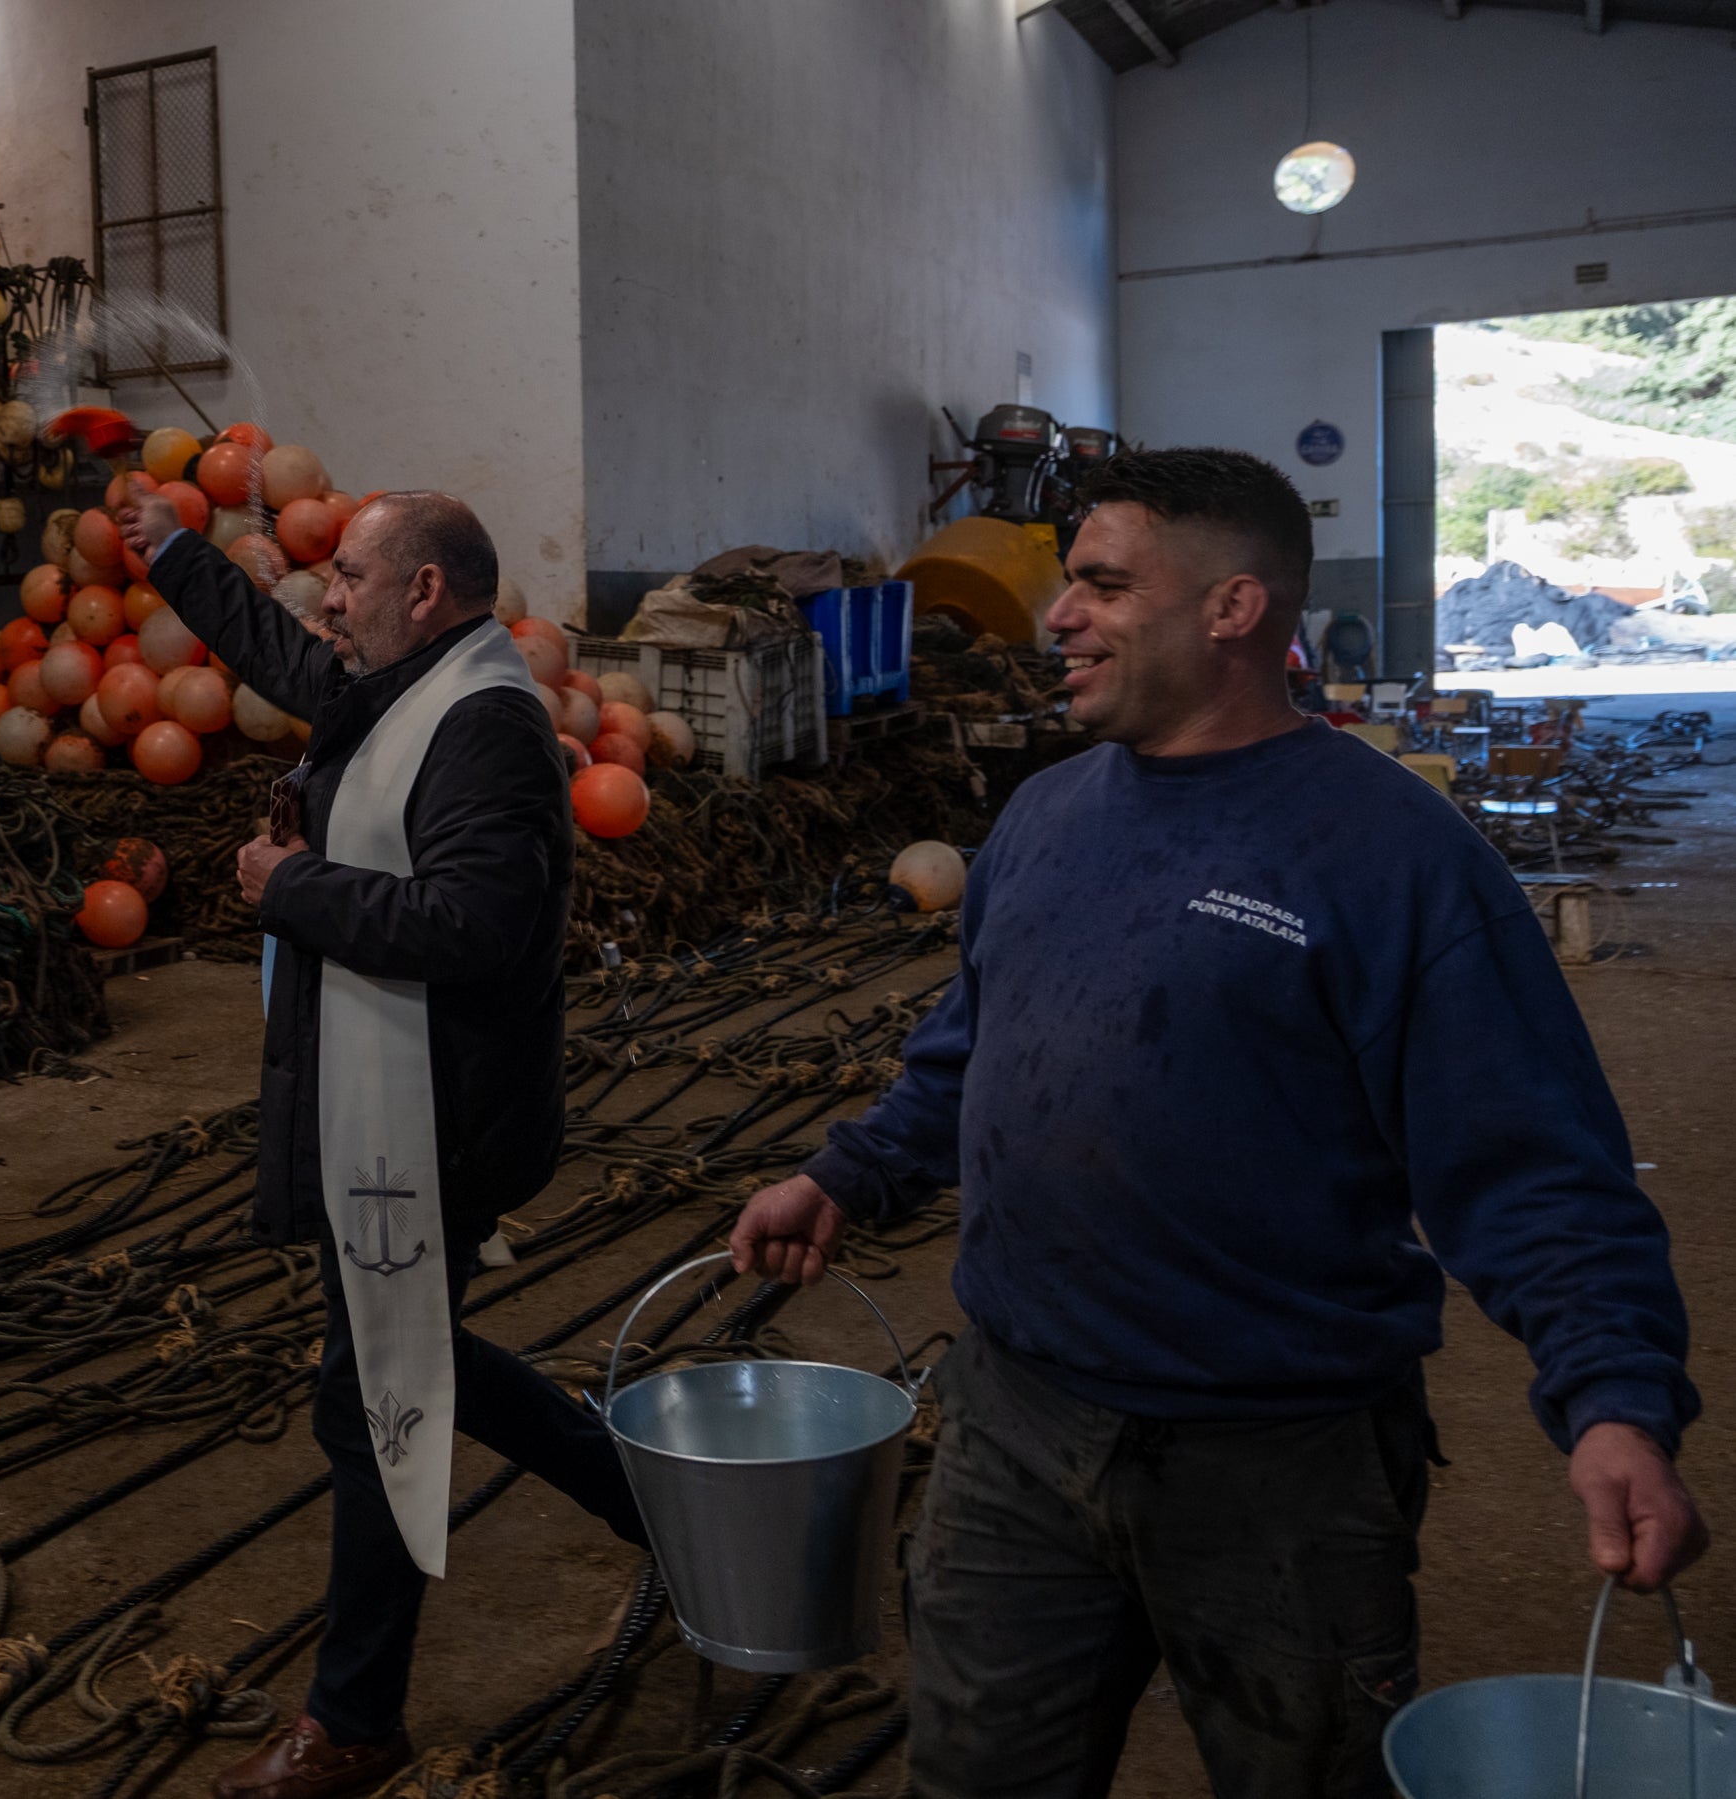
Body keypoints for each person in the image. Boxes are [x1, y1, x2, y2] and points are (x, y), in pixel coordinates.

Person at [730, 447, 1707, 1797]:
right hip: (1015, 1426)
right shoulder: (1042, 818)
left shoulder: (1393, 860)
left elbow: (1535, 1163)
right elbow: (970, 1053)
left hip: (1276, 1466)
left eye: (1101, 582)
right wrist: (846, 1175)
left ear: (1232, 609)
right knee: (973, 1778)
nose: (1057, 614)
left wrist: (1614, 1404)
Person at [119, 484, 646, 1799]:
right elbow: (291, 659)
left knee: (377, 1400)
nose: (328, 595)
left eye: (351, 574)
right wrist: (174, 555)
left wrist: (290, 886)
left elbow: (476, 927)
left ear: (426, 592)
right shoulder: (408, 680)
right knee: (406, 1364)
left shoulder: (489, 730)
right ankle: (654, 1505)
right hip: (392, 1106)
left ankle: (354, 1720)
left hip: (435, 1126)